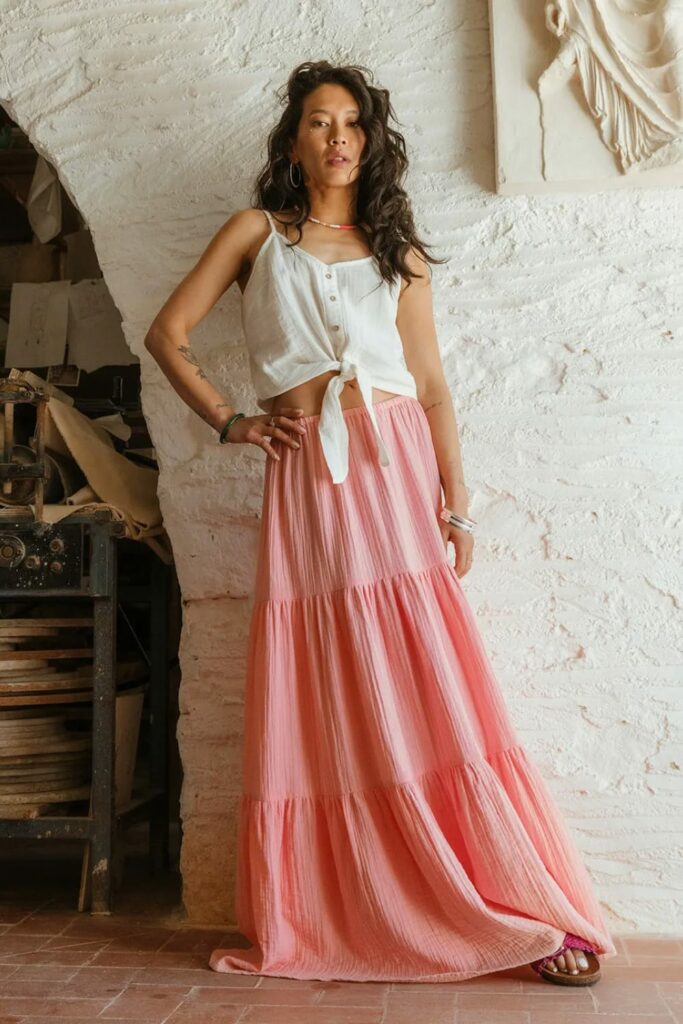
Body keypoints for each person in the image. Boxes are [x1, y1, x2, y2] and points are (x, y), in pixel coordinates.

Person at [144, 59, 617, 986]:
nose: (338, 137)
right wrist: (233, 422)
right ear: (293, 141)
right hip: (308, 477)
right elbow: (169, 334)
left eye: (352, 122)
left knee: (427, 667)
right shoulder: (255, 233)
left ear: (370, 140)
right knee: (326, 676)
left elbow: (431, 386)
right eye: (320, 122)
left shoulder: (397, 251)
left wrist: (455, 504)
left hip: (393, 467)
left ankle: (516, 897)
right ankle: (353, 902)